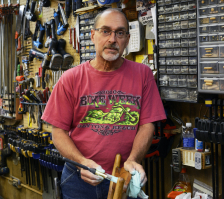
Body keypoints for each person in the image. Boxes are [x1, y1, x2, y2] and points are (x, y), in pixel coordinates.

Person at [41, 8, 166, 199]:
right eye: (105, 31)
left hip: (123, 178)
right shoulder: (70, 78)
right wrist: (81, 161)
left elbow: (147, 125)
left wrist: (133, 160)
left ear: (127, 38)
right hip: (79, 179)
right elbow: (58, 132)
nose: (112, 39)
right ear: (93, 35)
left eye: (120, 32)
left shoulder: (143, 75)